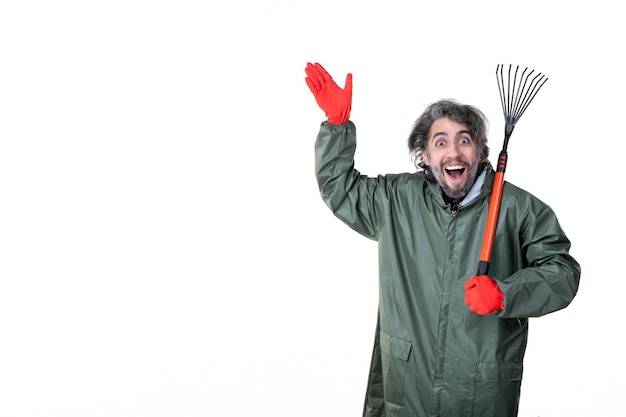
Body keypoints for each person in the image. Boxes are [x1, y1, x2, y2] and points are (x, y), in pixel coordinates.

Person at [304, 62, 581, 417]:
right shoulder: (396, 200)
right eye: (440, 142)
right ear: (425, 155)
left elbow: (563, 273)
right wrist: (337, 128)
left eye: (464, 140)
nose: (453, 152)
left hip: (480, 394)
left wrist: (505, 294)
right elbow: (339, 188)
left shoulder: (517, 208)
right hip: (408, 387)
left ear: (480, 151)